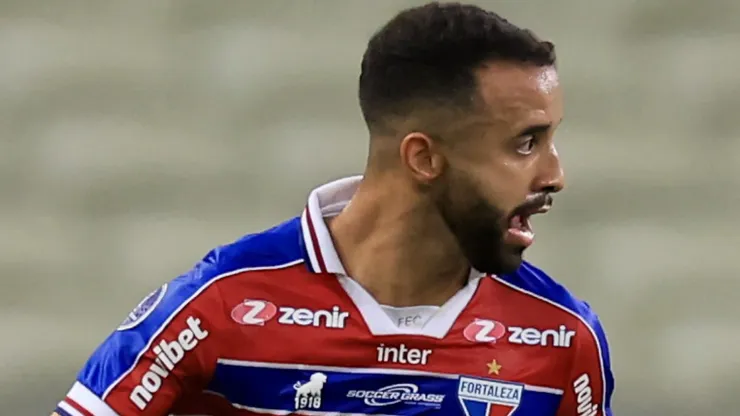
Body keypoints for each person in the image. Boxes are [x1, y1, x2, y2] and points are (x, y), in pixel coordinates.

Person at [53, 2, 614, 415]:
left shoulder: (563, 339)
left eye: (551, 140)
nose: (555, 175)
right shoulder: (219, 307)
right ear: (423, 158)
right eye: (525, 143)